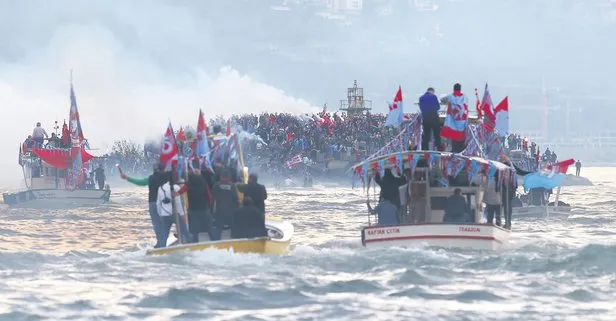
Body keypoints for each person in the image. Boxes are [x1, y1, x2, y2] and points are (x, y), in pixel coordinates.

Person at [121, 163, 171, 248]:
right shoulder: (168, 177)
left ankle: (160, 243)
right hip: (164, 204)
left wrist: (127, 178)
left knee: (157, 224)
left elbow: (140, 182)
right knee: (165, 224)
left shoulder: (151, 178)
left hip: (153, 204)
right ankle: (163, 243)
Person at [157, 176, 192, 246]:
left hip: (165, 214)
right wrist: (182, 214)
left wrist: (160, 215)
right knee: (185, 231)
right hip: (176, 214)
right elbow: (179, 203)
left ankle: (161, 249)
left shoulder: (160, 188)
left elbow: (158, 203)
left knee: (164, 234)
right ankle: (190, 244)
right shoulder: (176, 188)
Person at [186, 169, 216, 242]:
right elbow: (209, 197)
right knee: (209, 227)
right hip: (205, 208)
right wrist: (210, 207)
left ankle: (195, 244)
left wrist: (188, 208)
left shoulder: (188, 185)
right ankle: (215, 242)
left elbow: (185, 198)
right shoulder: (204, 183)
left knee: (195, 230)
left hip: (193, 210)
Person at [212, 168, 240, 240]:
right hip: (231, 210)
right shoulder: (232, 186)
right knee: (233, 228)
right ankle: (235, 243)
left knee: (218, 229)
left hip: (220, 210)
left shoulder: (216, 185)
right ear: (229, 177)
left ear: (221, 176)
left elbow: (213, 196)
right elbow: (236, 198)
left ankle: (216, 244)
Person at [441, 83, 469, 153]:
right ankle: (462, 151)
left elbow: (445, 102)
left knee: (454, 137)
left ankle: (454, 151)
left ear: (453, 88)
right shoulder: (465, 97)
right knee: (462, 137)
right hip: (462, 120)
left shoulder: (450, 97)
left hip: (453, 120)